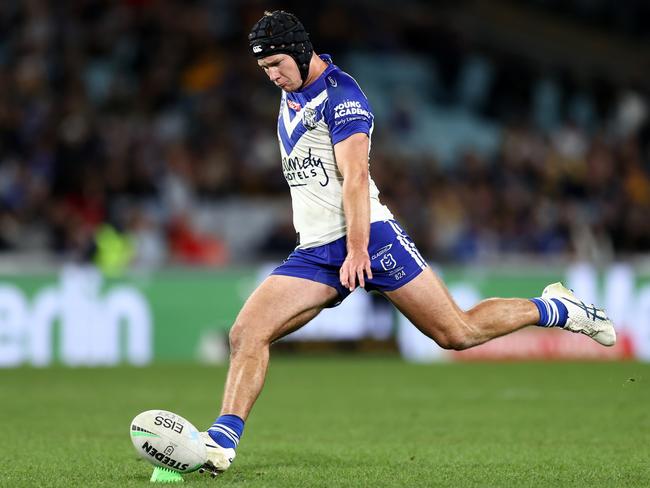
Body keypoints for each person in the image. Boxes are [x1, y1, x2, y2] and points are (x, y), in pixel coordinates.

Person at [197, 10, 616, 477]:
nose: (272, 75)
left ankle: (559, 309)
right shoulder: (292, 90)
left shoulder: (344, 98)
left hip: (370, 238)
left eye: (276, 63)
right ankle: (220, 444)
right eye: (264, 69)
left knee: (457, 333)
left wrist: (358, 250)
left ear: (298, 51)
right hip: (316, 249)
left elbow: (355, 177)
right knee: (246, 333)